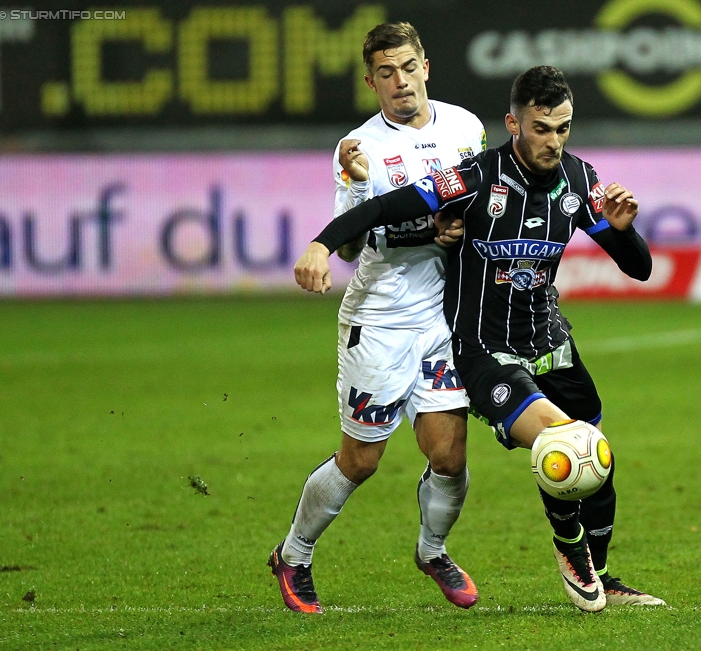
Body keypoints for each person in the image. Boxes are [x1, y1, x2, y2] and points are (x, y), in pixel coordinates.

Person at [295, 66, 666, 613]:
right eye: (542, 128)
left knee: (599, 462)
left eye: (563, 128)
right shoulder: (471, 180)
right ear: (514, 125)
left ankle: (606, 576)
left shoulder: (582, 183)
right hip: (485, 352)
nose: (554, 141)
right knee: (564, 442)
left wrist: (623, 228)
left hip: (551, 344)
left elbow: (639, 270)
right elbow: (383, 207)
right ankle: (570, 553)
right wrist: (322, 245)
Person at [269, 22, 485, 614]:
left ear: (426, 67)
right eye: (385, 72)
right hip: (381, 318)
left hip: (441, 319)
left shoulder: (466, 128)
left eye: (408, 67)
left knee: (450, 454)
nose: (400, 81)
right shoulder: (358, 148)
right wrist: (411, 221)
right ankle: (293, 555)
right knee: (361, 460)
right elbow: (347, 246)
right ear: (371, 82)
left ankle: (433, 550)